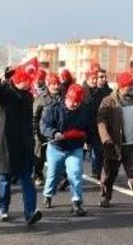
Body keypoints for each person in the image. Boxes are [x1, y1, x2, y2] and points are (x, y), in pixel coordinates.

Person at [0, 67, 41, 224]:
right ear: (18, 80)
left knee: (27, 179)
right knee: (4, 178)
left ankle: (30, 212)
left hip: (24, 144)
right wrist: (4, 78)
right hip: (7, 143)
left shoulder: (28, 96)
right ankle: (2, 208)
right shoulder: (6, 94)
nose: (28, 83)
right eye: (26, 81)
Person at [97, 71, 133, 213]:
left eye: (131, 85)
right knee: (109, 174)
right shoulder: (108, 101)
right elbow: (101, 121)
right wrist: (106, 138)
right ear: (121, 86)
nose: (131, 88)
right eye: (128, 85)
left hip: (132, 144)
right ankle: (105, 197)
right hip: (114, 145)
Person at [40, 83, 93, 216]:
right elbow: (44, 126)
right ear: (66, 97)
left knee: (75, 173)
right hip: (56, 147)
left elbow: (90, 129)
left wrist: (88, 140)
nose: (74, 104)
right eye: (72, 101)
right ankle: (48, 194)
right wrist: (53, 133)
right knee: (53, 174)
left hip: (75, 148)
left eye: (77, 102)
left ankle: (76, 202)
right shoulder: (53, 108)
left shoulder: (85, 111)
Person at [33, 73, 62, 186]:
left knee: (58, 156)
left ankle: (60, 177)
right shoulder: (40, 98)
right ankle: (38, 175)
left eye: (58, 84)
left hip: (56, 132)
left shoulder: (62, 97)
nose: (56, 86)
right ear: (48, 85)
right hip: (41, 132)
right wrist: (35, 132)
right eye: (53, 84)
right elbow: (34, 116)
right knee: (39, 156)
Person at [81, 66, 108, 182]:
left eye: (96, 78)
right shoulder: (81, 91)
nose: (94, 80)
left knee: (98, 152)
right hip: (81, 127)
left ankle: (97, 172)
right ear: (87, 79)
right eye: (92, 78)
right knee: (79, 154)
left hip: (96, 127)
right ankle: (69, 175)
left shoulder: (101, 92)